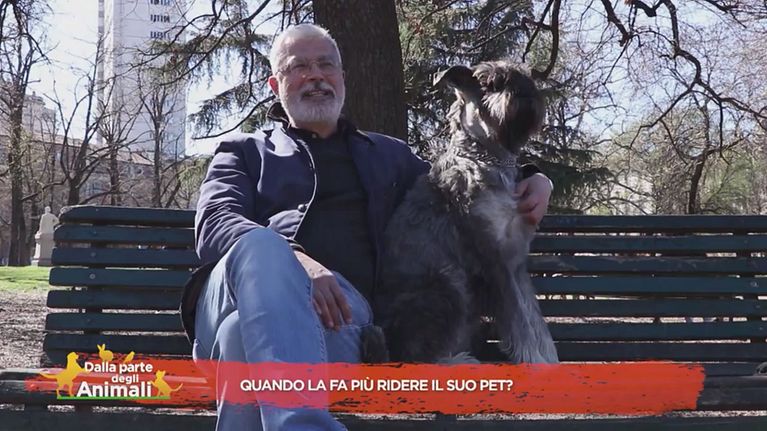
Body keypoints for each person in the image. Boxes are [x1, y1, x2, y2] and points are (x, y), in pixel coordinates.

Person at [180, 23, 554, 431]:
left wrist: (532, 175)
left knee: (240, 338)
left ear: (343, 78)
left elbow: (458, 184)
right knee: (263, 249)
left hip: (339, 326)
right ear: (275, 84)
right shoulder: (243, 152)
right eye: (299, 67)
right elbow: (214, 224)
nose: (316, 76)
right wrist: (297, 261)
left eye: (326, 65)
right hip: (235, 295)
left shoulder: (389, 156)